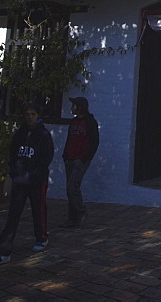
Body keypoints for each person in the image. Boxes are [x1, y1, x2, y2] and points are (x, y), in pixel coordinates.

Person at [0, 103, 54, 265]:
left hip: (36, 180)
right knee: (13, 214)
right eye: (27, 114)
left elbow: (47, 157)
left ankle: (41, 237)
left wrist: (36, 174)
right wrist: (14, 171)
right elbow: (13, 154)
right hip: (19, 180)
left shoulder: (44, 135)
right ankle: (3, 251)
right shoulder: (19, 134)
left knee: (38, 209)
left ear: (38, 115)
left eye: (33, 114)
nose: (30, 117)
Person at [61, 96, 99, 228]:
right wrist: (65, 155)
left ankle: (81, 212)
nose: (72, 108)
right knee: (69, 189)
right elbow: (69, 139)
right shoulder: (73, 122)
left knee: (72, 187)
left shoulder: (90, 122)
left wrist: (84, 158)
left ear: (80, 107)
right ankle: (72, 217)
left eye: (74, 105)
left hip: (80, 160)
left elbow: (94, 142)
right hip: (70, 159)